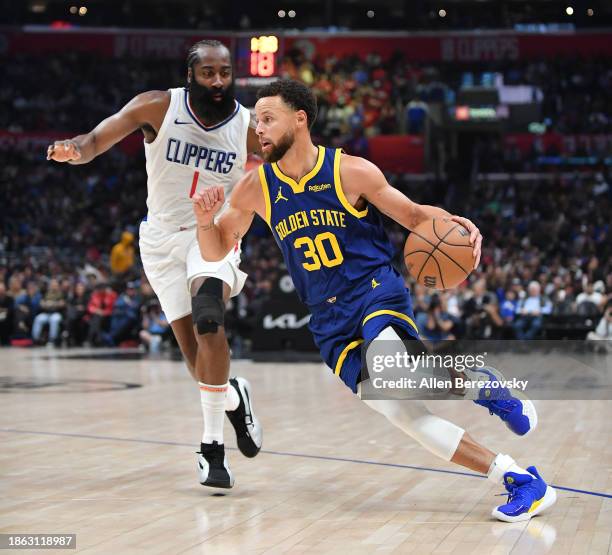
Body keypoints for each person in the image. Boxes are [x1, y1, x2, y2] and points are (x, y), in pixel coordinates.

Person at [192, 79, 556, 523]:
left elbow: (416, 216)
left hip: (373, 292)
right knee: (407, 416)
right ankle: (520, 480)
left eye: (268, 118)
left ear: (299, 119)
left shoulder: (351, 171)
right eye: (256, 121)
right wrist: (204, 221)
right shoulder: (256, 187)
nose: (259, 129)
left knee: (396, 370)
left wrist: (461, 227)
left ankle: (485, 386)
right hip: (327, 322)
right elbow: (216, 250)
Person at [46, 39, 262, 488]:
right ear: (190, 75)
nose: (218, 81)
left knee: (209, 321)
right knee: (194, 358)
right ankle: (232, 399)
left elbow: (290, 166)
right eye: (209, 73)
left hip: (214, 233)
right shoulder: (157, 107)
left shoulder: (246, 127)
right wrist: (73, 149)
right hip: (161, 240)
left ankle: (211, 449)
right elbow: (93, 141)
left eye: (225, 72)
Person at [32, 278, 66, 346]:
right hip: (47, 313)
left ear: (58, 286)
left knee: (54, 320)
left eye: (55, 285)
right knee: (38, 318)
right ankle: (36, 339)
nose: (53, 286)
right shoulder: (46, 293)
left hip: (57, 313)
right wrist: (50, 304)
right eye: (52, 285)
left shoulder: (61, 293)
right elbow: (41, 303)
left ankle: (52, 340)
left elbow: (62, 304)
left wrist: (51, 304)